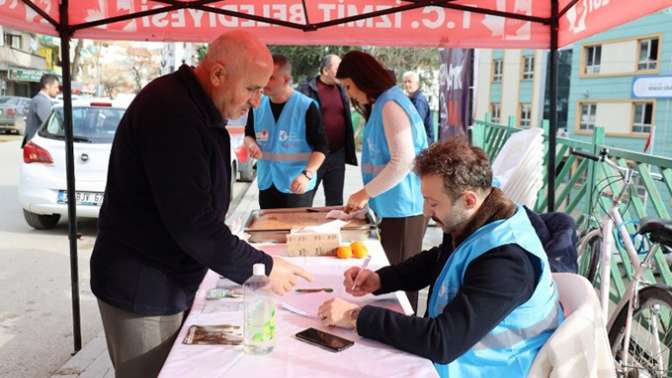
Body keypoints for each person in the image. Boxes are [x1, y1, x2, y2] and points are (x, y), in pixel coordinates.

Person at [90, 31, 313, 378]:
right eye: (252, 88)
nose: (257, 102)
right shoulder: (171, 111)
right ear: (218, 74)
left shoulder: (197, 107)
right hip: (143, 288)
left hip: (170, 279)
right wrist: (262, 266)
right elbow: (193, 224)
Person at [318, 140, 564, 378]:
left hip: (491, 369)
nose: (426, 212)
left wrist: (356, 317)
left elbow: (442, 341)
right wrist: (380, 279)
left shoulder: (508, 263)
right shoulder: (475, 217)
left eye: (433, 203)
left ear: (469, 199)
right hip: (459, 357)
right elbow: (439, 260)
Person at [337, 51, 428, 310]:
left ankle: (403, 331)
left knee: (400, 278)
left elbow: (403, 160)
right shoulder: (384, 104)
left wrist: (364, 193)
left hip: (405, 207)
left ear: (362, 78)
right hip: (393, 206)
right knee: (393, 275)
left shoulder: (390, 105)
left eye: (348, 86)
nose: (350, 94)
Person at [244, 55, 328, 209]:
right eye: (264, 77)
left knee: (294, 232)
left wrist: (306, 175)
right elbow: (248, 134)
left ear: (287, 79)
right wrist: (251, 145)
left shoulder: (306, 106)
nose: (265, 83)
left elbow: (321, 147)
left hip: (296, 185)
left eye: (271, 78)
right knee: (269, 231)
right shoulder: (257, 105)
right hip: (267, 183)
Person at [297, 54, 358, 206]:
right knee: (305, 200)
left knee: (335, 202)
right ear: (325, 70)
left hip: (337, 155)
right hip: (314, 155)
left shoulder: (342, 89)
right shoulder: (305, 90)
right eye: (338, 68)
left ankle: (332, 229)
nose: (343, 72)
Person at [22, 73, 59, 147]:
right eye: (56, 87)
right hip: (37, 145)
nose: (58, 90)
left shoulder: (38, 99)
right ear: (47, 86)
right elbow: (51, 126)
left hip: (34, 143)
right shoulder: (42, 101)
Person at [402, 71, 434, 144]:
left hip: (423, 143)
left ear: (417, 83)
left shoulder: (419, 101)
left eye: (409, 81)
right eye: (405, 82)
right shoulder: (410, 99)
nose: (407, 84)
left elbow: (417, 124)